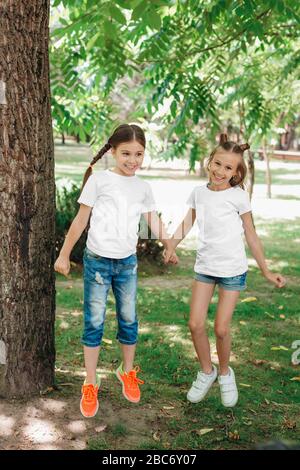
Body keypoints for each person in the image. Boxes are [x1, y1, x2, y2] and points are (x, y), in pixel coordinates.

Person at [54, 124, 177, 418]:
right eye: (126, 153)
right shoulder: (99, 181)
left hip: (126, 264)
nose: (133, 160)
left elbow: (153, 222)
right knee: (94, 321)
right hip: (97, 261)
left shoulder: (143, 187)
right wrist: (63, 254)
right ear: (112, 151)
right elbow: (80, 221)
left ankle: (127, 370)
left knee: (129, 318)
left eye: (138, 154)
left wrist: (170, 246)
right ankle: (90, 380)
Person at [164, 134, 286, 408]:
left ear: (237, 172)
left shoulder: (238, 196)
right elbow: (186, 224)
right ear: (210, 162)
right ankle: (206, 372)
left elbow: (251, 236)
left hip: (232, 270)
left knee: (221, 328)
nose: (221, 171)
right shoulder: (199, 193)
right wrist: (171, 247)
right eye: (218, 164)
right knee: (195, 324)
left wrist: (266, 271)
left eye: (228, 168)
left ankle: (225, 373)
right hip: (205, 268)